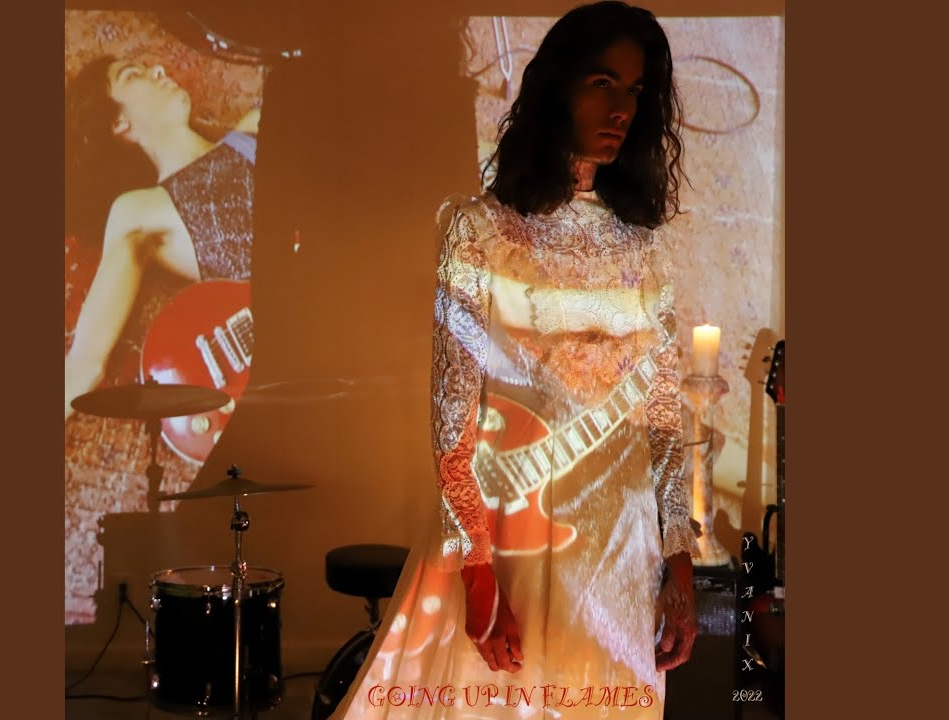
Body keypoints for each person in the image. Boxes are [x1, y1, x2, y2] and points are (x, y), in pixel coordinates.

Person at [331, 3, 698, 717]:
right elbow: (453, 418)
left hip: (621, 557)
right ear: (558, 86)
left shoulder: (643, 250)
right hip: (511, 540)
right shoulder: (477, 232)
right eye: (602, 82)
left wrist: (677, 557)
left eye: (634, 91)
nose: (621, 108)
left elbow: (661, 419)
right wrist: (476, 571)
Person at [63, 56, 258, 419]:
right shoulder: (139, 210)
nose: (159, 70)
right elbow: (81, 369)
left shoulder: (255, 126)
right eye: (132, 75)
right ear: (118, 123)